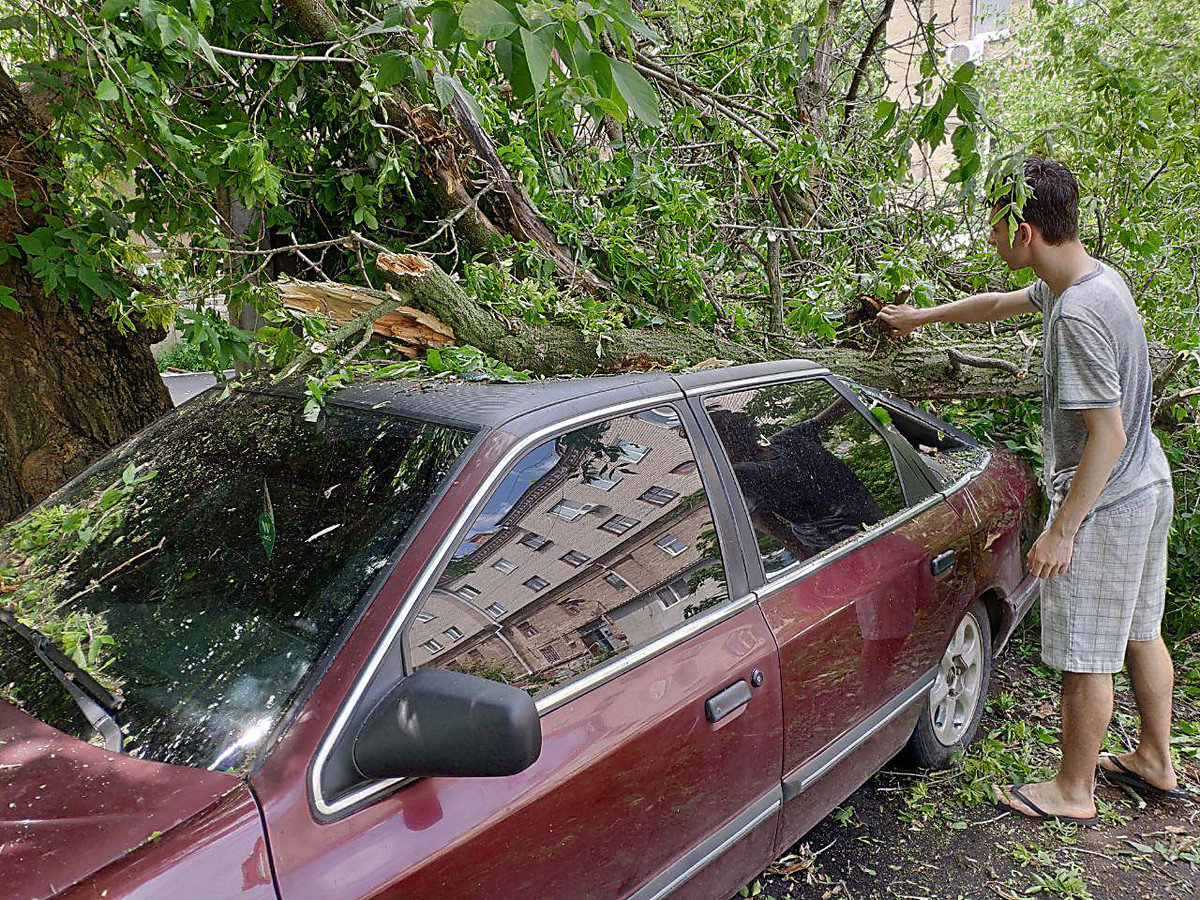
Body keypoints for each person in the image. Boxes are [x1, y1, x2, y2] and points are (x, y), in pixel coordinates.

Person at [875, 156, 1182, 824]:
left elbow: (1107, 435)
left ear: (1025, 231)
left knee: (1086, 655)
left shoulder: (1077, 317)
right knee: (1140, 631)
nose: (989, 237)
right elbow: (996, 304)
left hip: (1109, 500)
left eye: (994, 225)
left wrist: (1063, 529)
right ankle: (1156, 760)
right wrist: (919, 318)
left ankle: (1073, 790)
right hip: (1147, 481)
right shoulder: (1090, 279)